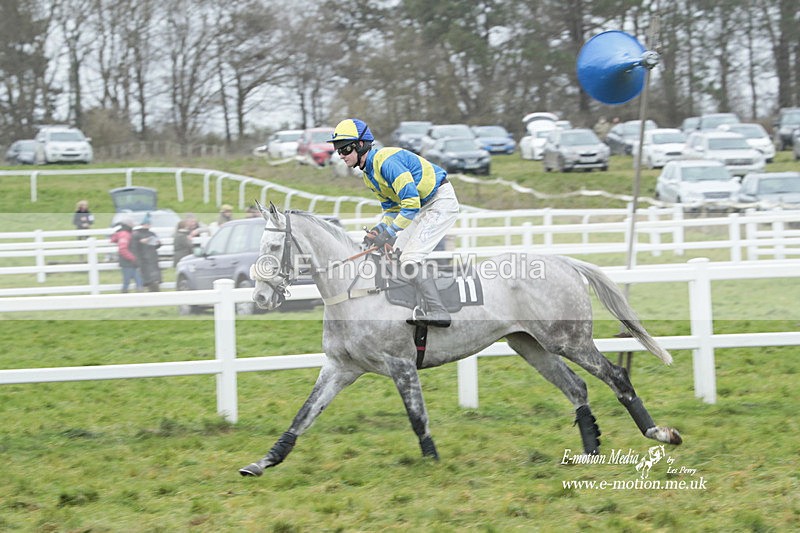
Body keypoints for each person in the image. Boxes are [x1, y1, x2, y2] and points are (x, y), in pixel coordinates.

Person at [327, 118, 460, 327]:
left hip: (439, 202)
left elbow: (411, 203)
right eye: (338, 150)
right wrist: (379, 230)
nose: (341, 155)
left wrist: (388, 232)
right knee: (395, 257)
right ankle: (415, 305)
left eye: (344, 149)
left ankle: (439, 311)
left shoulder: (386, 162)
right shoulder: (368, 175)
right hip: (421, 206)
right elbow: (391, 209)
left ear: (361, 145)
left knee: (409, 260)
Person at [131, 213, 162, 292]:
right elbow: (134, 247)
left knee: (154, 279)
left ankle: (155, 293)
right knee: (147, 278)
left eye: (149, 224)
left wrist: (158, 243)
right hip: (143, 259)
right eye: (146, 224)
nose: (147, 225)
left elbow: (156, 245)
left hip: (152, 258)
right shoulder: (137, 234)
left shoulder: (152, 234)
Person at [110, 219, 142, 293]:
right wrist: (133, 258)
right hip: (128, 262)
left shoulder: (123, 233)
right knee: (130, 281)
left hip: (128, 261)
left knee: (135, 280)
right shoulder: (125, 234)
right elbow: (123, 249)